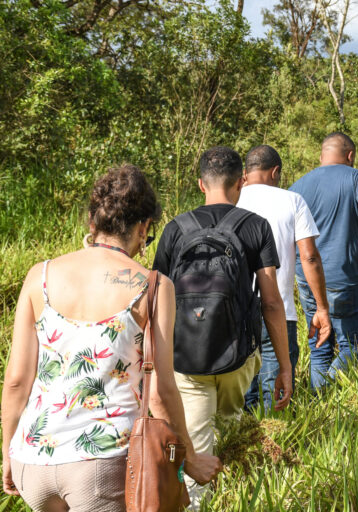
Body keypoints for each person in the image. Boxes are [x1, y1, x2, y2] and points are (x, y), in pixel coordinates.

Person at [2, 165, 221, 511]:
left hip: (34, 460)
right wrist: (189, 458)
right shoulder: (153, 287)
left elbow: (16, 381)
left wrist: (8, 454)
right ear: (143, 227)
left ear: (92, 222)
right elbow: (162, 392)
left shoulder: (39, 276)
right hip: (102, 462)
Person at [152, 146, 291, 506]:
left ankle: (199, 502)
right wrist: (285, 366)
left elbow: (156, 301)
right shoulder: (255, 226)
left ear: (200, 183)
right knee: (230, 433)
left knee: (196, 444)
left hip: (186, 358)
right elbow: (272, 301)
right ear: (241, 181)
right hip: (238, 356)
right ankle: (236, 498)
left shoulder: (175, 229)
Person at [289, 133, 358, 390]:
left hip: (306, 277)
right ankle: (327, 391)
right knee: (353, 346)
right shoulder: (356, 177)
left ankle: (318, 404)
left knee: (319, 346)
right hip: (343, 278)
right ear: (350, 156)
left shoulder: (299, 185)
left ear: (321, 156)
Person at [237, 145, 332, 412]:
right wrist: (321, 307)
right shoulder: (292, 200)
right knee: (276, 393)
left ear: (245, 173)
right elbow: (309, 257)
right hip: (280, 311)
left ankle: (242, 448)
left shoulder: (232, 201)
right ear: (275, 171)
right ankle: (274, 447)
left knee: (242, 393)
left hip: (238, 312)